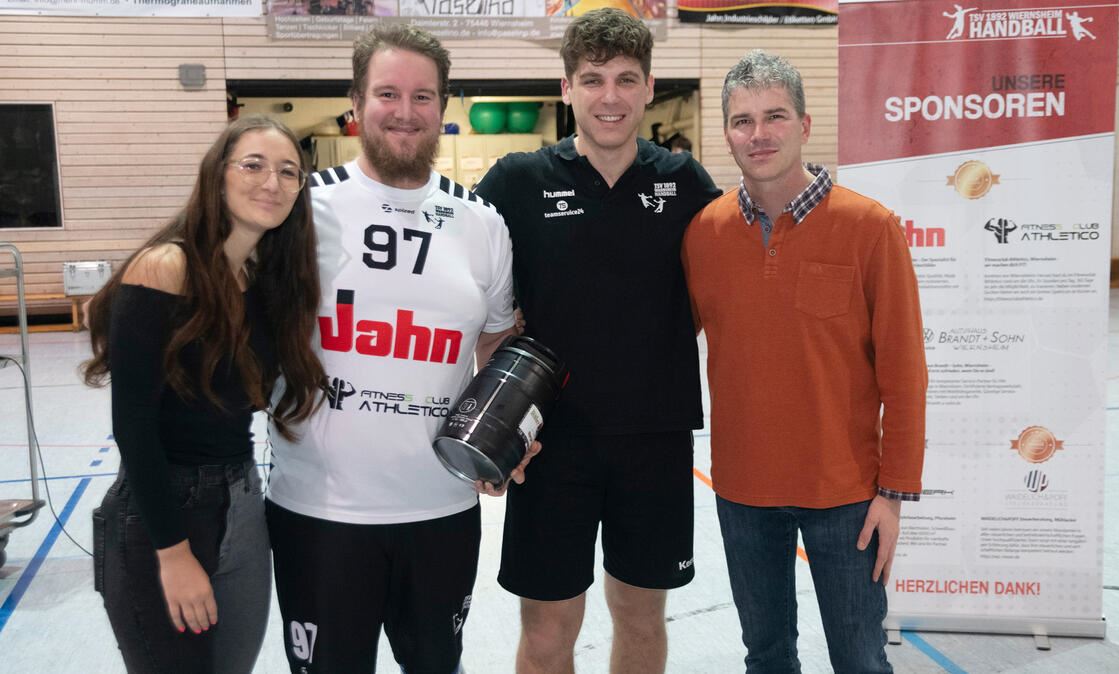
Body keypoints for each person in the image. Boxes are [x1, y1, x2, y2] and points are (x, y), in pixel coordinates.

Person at [263, 24, 530, 674]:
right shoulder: (299, 208)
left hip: (441, 509)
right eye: (388, 93)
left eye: (422, 96)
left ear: (443, 106)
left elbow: (498, 341)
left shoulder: (483, 224)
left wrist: (508, 430)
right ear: (355, 101)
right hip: (320, 515)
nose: (405, 112)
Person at [474, 9, 721, 673]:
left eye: (625, 79)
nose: (609, 96)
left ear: (648, 88)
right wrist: (494, 428)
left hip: (655, 441)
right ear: (566, 88)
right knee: (549, 632)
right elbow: (471, 304)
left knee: (641, 620)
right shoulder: (515, 183)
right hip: (551, 444)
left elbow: (711, 298)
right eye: (592, 80)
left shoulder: (687, 184)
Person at [681, 50, 927, 673]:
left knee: (860, 660)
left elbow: (904, 370)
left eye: (775, 116)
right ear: (727, 132)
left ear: (805, 125)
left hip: (844, 494)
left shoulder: (870, 227)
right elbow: (659, 346)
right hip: (741, 490)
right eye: (742, 121)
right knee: (765, 658)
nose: (758, 134)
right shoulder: (703, 234)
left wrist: (893, 493)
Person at [84, 115, 325, 673]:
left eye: (289, 172)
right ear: (218, 176)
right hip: (164, 511)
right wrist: (173, 554)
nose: (272, 182)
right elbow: (134, 427)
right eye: (254, 165)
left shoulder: (260, 282)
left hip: (242, 500)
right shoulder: (165, 268)